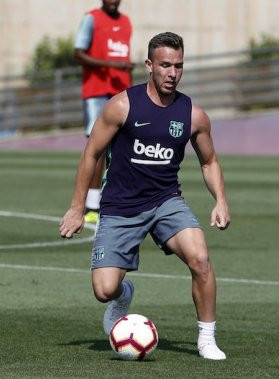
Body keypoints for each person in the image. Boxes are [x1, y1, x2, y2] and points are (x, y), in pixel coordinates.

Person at [60, 32, 230, 361]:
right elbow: (91, 154)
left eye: (179, 66)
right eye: (165, 65)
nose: (172, 73)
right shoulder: (122, 105)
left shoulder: (193, 114)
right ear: (149, 65)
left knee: (201, 260)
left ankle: (207, 339)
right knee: (104, 290)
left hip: (166, 202)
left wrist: (220, 200)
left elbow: (209, 161)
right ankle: (123, 295)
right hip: (121, 206)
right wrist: (77, 208)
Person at [74, 0, 135, 224]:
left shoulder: (127, 22)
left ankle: (111, 202)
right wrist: (111, 64)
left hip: (121, 91)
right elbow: (78, 53)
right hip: (97, 91)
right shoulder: (91, 18)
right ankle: (91, 206)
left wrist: (125, 67)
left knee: (119, 148)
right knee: (97, 147)